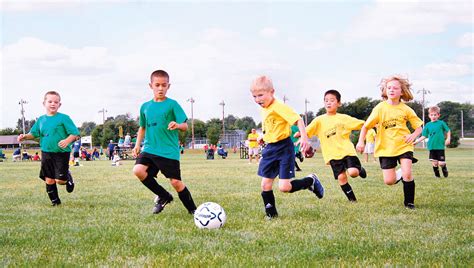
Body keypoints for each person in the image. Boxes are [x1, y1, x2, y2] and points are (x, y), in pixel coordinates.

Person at [250, 75, 324, 219]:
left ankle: (310, 181)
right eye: (254, 96)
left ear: (271, 92)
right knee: (265, 184)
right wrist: (262, 137)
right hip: (270, 149)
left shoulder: (279, 107)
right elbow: (271, 127)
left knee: (284, 187)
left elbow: (298, 120)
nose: (257, 99)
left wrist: (304, 138)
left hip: (284, 149)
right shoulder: (264, 108)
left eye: (260, 95)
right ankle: (271, 215)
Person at [132, 69, 197, 215]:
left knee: (175, 182)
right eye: (157, 85)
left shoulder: (172, 104)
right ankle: (164, 196)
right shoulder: (145, 106)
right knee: (138, 170)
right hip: (149, 148)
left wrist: (178, 125)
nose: (160, 88)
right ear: (151, 86)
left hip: (168, 150)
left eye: (164, 85)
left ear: (169, 86)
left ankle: (193, 211)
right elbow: (142, 127)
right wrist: (137, 145)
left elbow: (185, 126)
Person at [356, 75, 423, 209]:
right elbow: (366, 126)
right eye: (389, 88)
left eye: (395, 88)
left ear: (402, 92)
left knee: (408, 173)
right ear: (385, 90)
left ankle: (409, 203)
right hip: (385, 149)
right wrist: (360, 142)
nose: (391, 90)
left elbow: (419, 127)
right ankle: (401, 173)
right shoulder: (380, 108)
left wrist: (413, 135)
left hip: (404, 146)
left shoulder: (406, 109)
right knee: (389, 181)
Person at [17, 91, 79, 206]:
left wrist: (67, 141)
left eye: (56, 102)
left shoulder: (64, 118)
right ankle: (55, 202)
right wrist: (25, 136)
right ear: (44, 103)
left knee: (60, 181)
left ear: (59, 105)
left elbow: (74, 134)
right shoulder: (41, 120)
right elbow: (34, 133)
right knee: (49, 179)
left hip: (61, 153)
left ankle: (67, 175)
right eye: (50, 101)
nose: (53, 104)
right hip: (46, 152)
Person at [306, 90, 367, 202]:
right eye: (326, 100)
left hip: (347, 151)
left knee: (353, 173)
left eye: (332, 100)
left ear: (338, 103)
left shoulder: (343, 118)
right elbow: (307, 131)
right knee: (341, 177)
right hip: (332, 154)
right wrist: (299, 134)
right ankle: (352, 200)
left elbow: (363, 124)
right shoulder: (319, 120)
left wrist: (373, 124)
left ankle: (360, 169)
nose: (328, 103)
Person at [413, 106, 451, 178]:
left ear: (438, 115)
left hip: (440, 146)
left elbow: (448, 130)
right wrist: (416, 142)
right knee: (435, 163)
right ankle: (437, 176)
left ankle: (444, 168)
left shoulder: (441, 123)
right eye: (432, 115)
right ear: (429, 115)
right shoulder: (427, 125)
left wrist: (448, 138)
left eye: (435, 115)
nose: (433, 116)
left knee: (441, 163)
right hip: (431, 146)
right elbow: (424, 136)